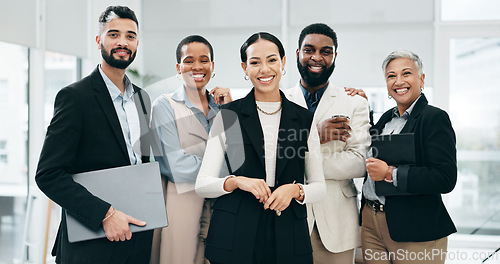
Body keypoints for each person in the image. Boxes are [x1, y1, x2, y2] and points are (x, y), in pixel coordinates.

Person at [35, 6, 153, 264]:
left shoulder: (143, 99)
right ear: (99, 40)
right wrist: (106, 214)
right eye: (114, 34)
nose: (123, 42)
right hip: (92, 243)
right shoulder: (75, 97)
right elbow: (48, 175)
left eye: (130, 36)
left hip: (137, 239)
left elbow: (141, 166)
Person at [195, 32, 326, 264]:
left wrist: (295, 191)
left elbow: (320, 187)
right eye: (255, 62)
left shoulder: (304, 118)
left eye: (272, 60)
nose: (264, 69)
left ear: (283, 62)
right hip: (235, 232)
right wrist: (236, 181)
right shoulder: (229, 116)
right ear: (245, 68)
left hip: (288, 232)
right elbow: (202, 184)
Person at [285, 23, 370, 264]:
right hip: (288, 219)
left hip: (336, 223)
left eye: (326, 51)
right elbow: (267, 157)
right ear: (298, 54)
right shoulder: (279, 101)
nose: (317, 57)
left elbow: (358, 163)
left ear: (334, 57)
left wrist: (295, 158)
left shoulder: (354, 103)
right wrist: (314, 136)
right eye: (309, 49)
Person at [360, 50, 457, 264]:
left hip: (415, 227)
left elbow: (445, 178)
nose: (398, 81)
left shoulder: (434, 118)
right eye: (391, 76)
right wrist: (361, 107)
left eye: (406, 74)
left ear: (421, 79)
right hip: (371, 222)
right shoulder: (387, 118)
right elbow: (372, 148)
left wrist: (389, 173)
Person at [149, 35, 231, 264]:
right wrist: (227, 174)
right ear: (178, 67)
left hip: (220, 208)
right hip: (180, 209)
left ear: (212, 66)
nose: (197, 66)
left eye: (204, 60)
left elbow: (240, 159)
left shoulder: (223, 107)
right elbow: (177, 167)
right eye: (189, 61)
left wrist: (230, 111)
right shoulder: (164, 105)